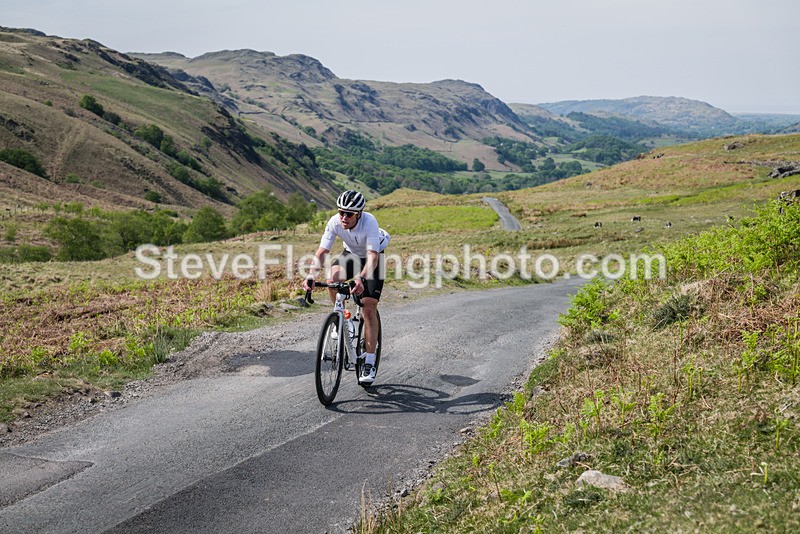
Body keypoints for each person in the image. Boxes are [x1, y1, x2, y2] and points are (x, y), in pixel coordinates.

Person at [302, 190, 389, 384]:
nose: (344, 217)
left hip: (373, 257)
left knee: (368, 308)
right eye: (341, 212)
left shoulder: (370, 222)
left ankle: (369, 360)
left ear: (359, 213)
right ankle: (344, 319)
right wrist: (311, 275)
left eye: (349, 214)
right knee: (332, 278)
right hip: (351, 254)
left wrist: (361, 279)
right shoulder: (334, 222)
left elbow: (373, 256)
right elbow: (323, 251)